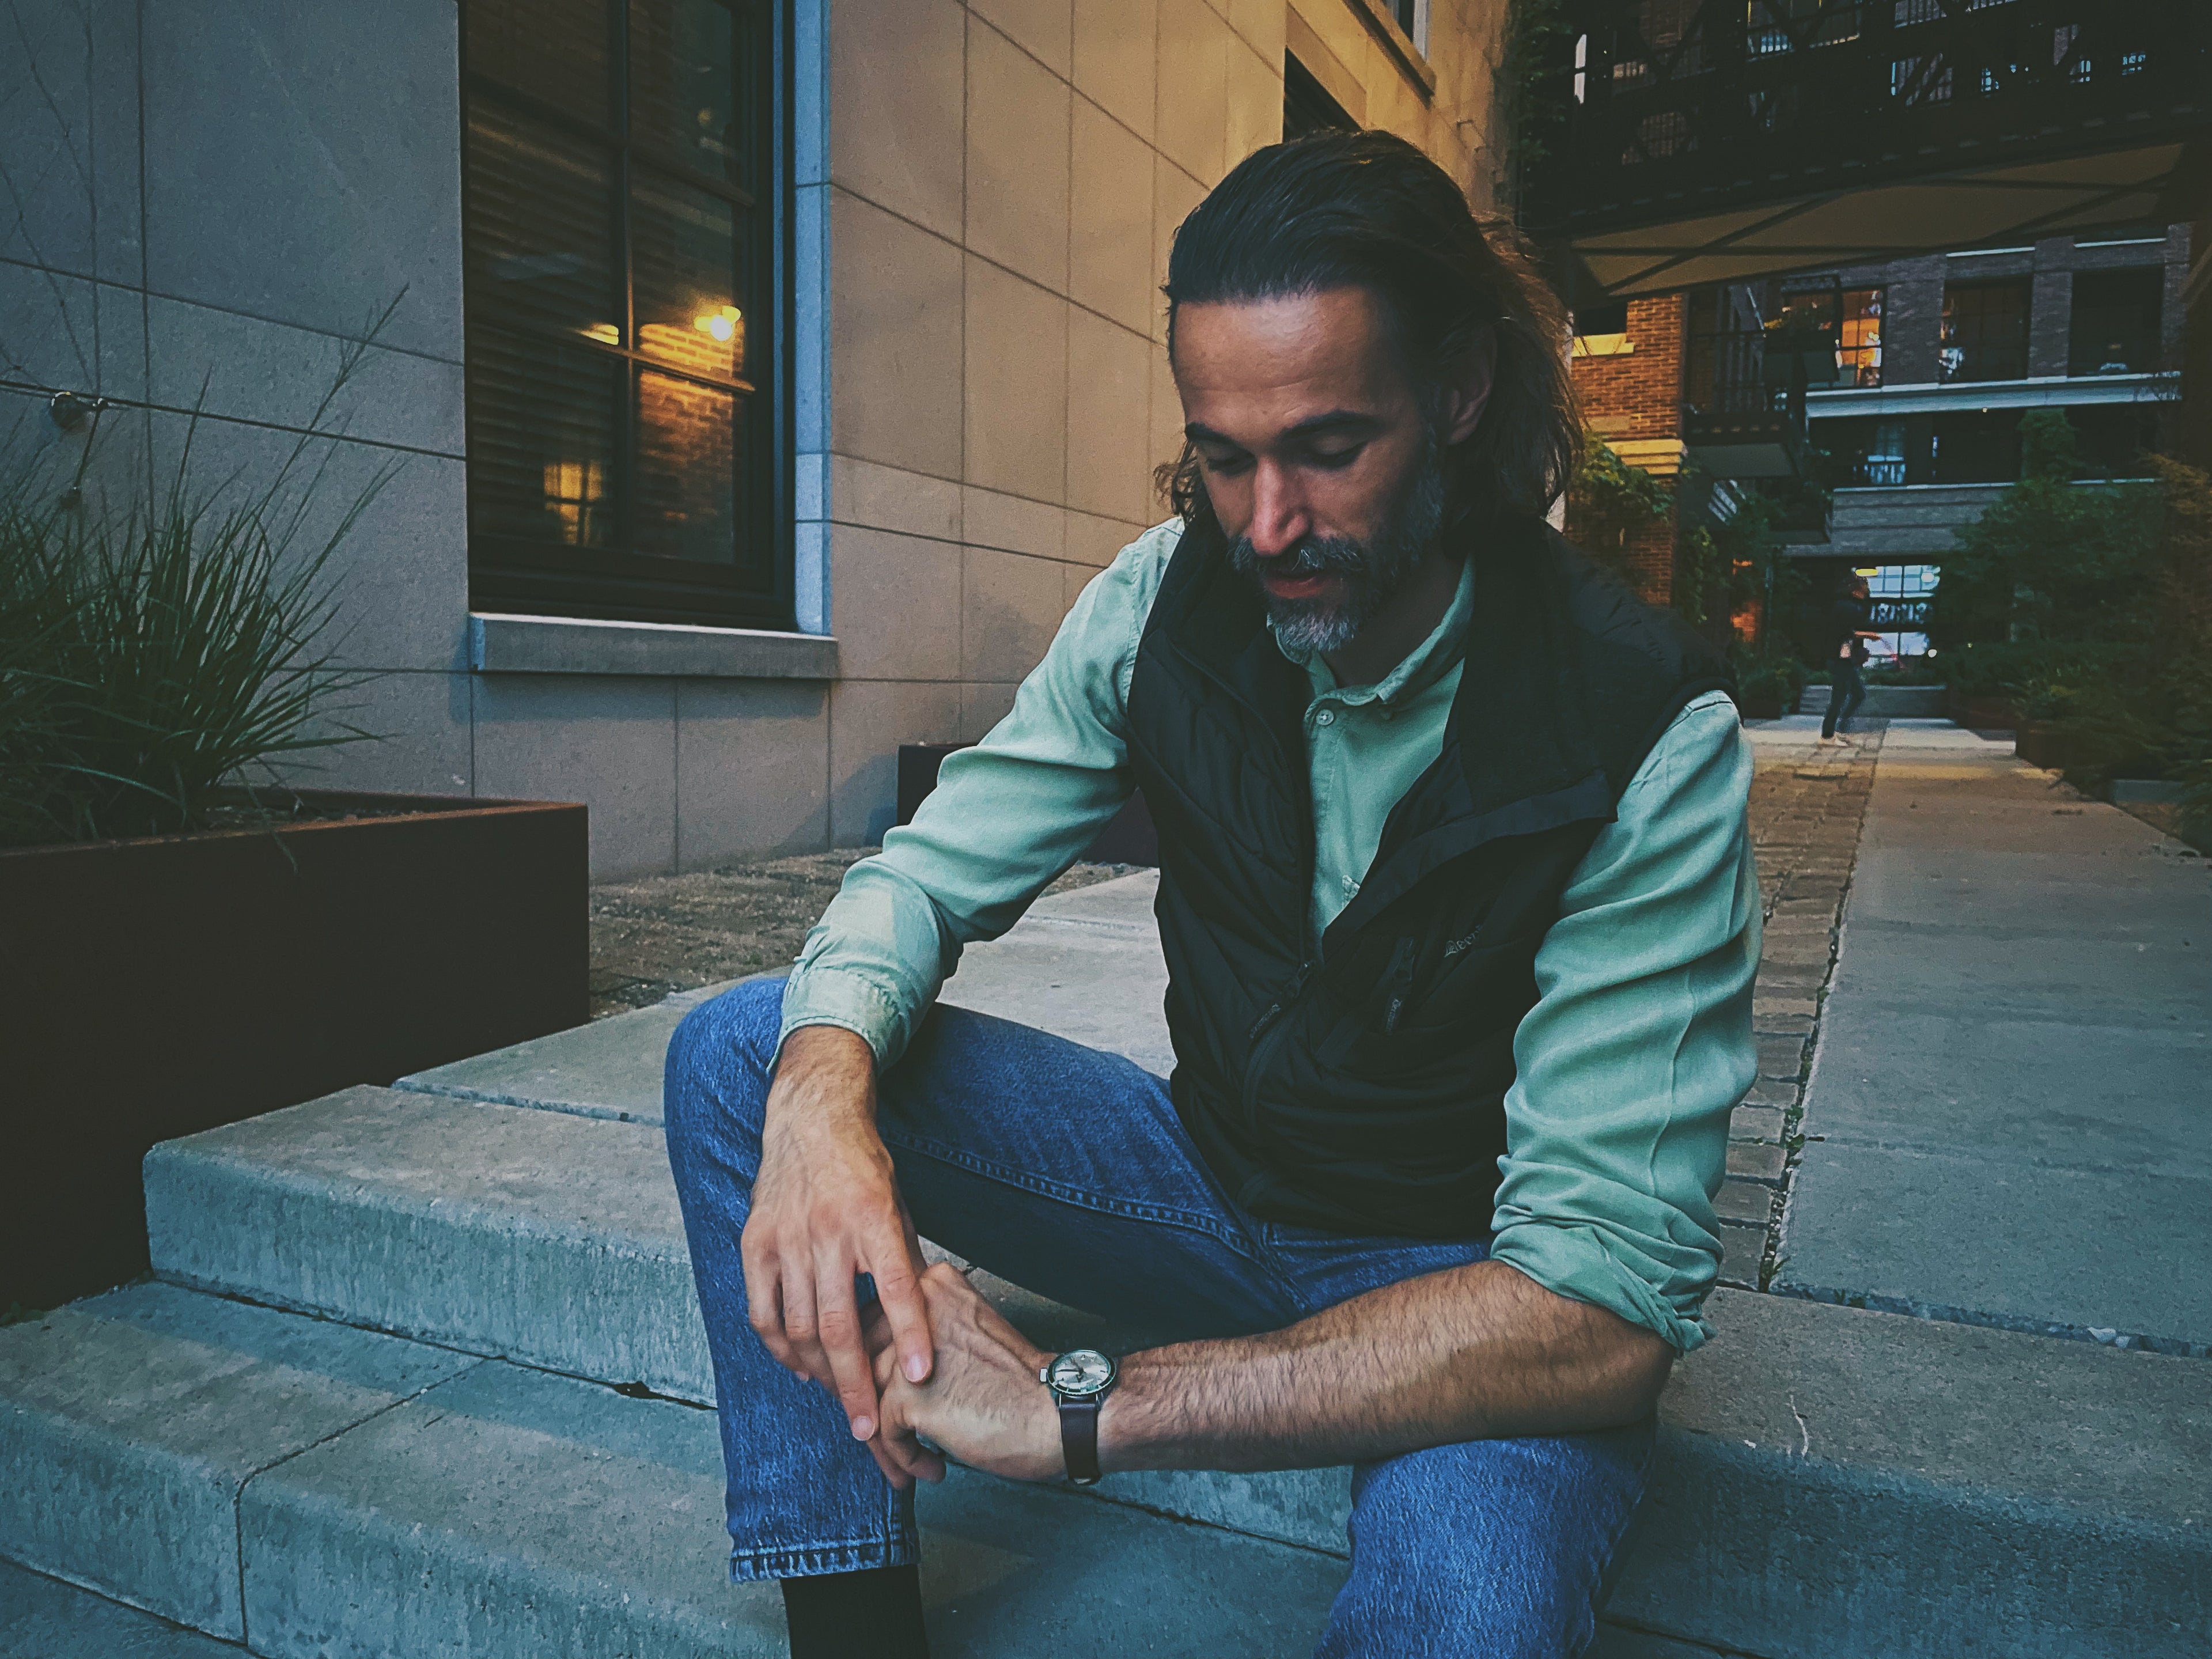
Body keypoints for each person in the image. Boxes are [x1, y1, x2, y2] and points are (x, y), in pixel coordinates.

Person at [664, 131, 1759, 1659]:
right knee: (743, 1052)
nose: (1266, 525)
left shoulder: (1643, 729)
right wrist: (823, 1104)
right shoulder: (1166, 594)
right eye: (1226, 455)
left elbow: (1599, 1315)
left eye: (1328, 447)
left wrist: (1081, 1402)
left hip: (1470, 1281)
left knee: (1470, 1617)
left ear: (1460, 394)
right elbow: (924, 871)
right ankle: (852, 1630)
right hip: (1206, 1189)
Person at [1819, 575, 1884, 743]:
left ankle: (1838, 730)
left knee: (1857, 694)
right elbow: (1843, 631)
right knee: (1840, 696)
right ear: (1857, 587)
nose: (1868, 588)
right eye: (1865, 584)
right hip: (1839, 657)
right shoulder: (1846, 606)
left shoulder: (1853, 606)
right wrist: (1868, 635)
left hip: (1845, 658)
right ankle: (1828, 735)